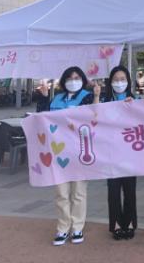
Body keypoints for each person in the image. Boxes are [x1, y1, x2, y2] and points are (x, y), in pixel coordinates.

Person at [39, 66, 95, 246]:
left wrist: (96, 94)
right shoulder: (56, 98)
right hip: (58, 152)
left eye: (77, 78)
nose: (73, 81)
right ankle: (62, 228)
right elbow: (42, 117)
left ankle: (77, 227)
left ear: (83, 80)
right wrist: (44, 97)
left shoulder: (87, 96)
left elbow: (92, 117)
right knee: (61, 193)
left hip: (80, 151)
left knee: (78, 192)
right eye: (70, 78)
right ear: (64, 81)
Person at [96, 66, 137, 240]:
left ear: (128, 81)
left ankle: (129, 223)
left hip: (129, 153)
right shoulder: (105, 100)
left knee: (130, 190)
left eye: (122, 79)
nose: (119, 83)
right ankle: (117, 224)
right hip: (110, 153)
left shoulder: (134, 100)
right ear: (110, 82)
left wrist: (134, 106)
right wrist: (96, 96)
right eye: (116, 79)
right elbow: (94, 117)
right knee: (113, 191)